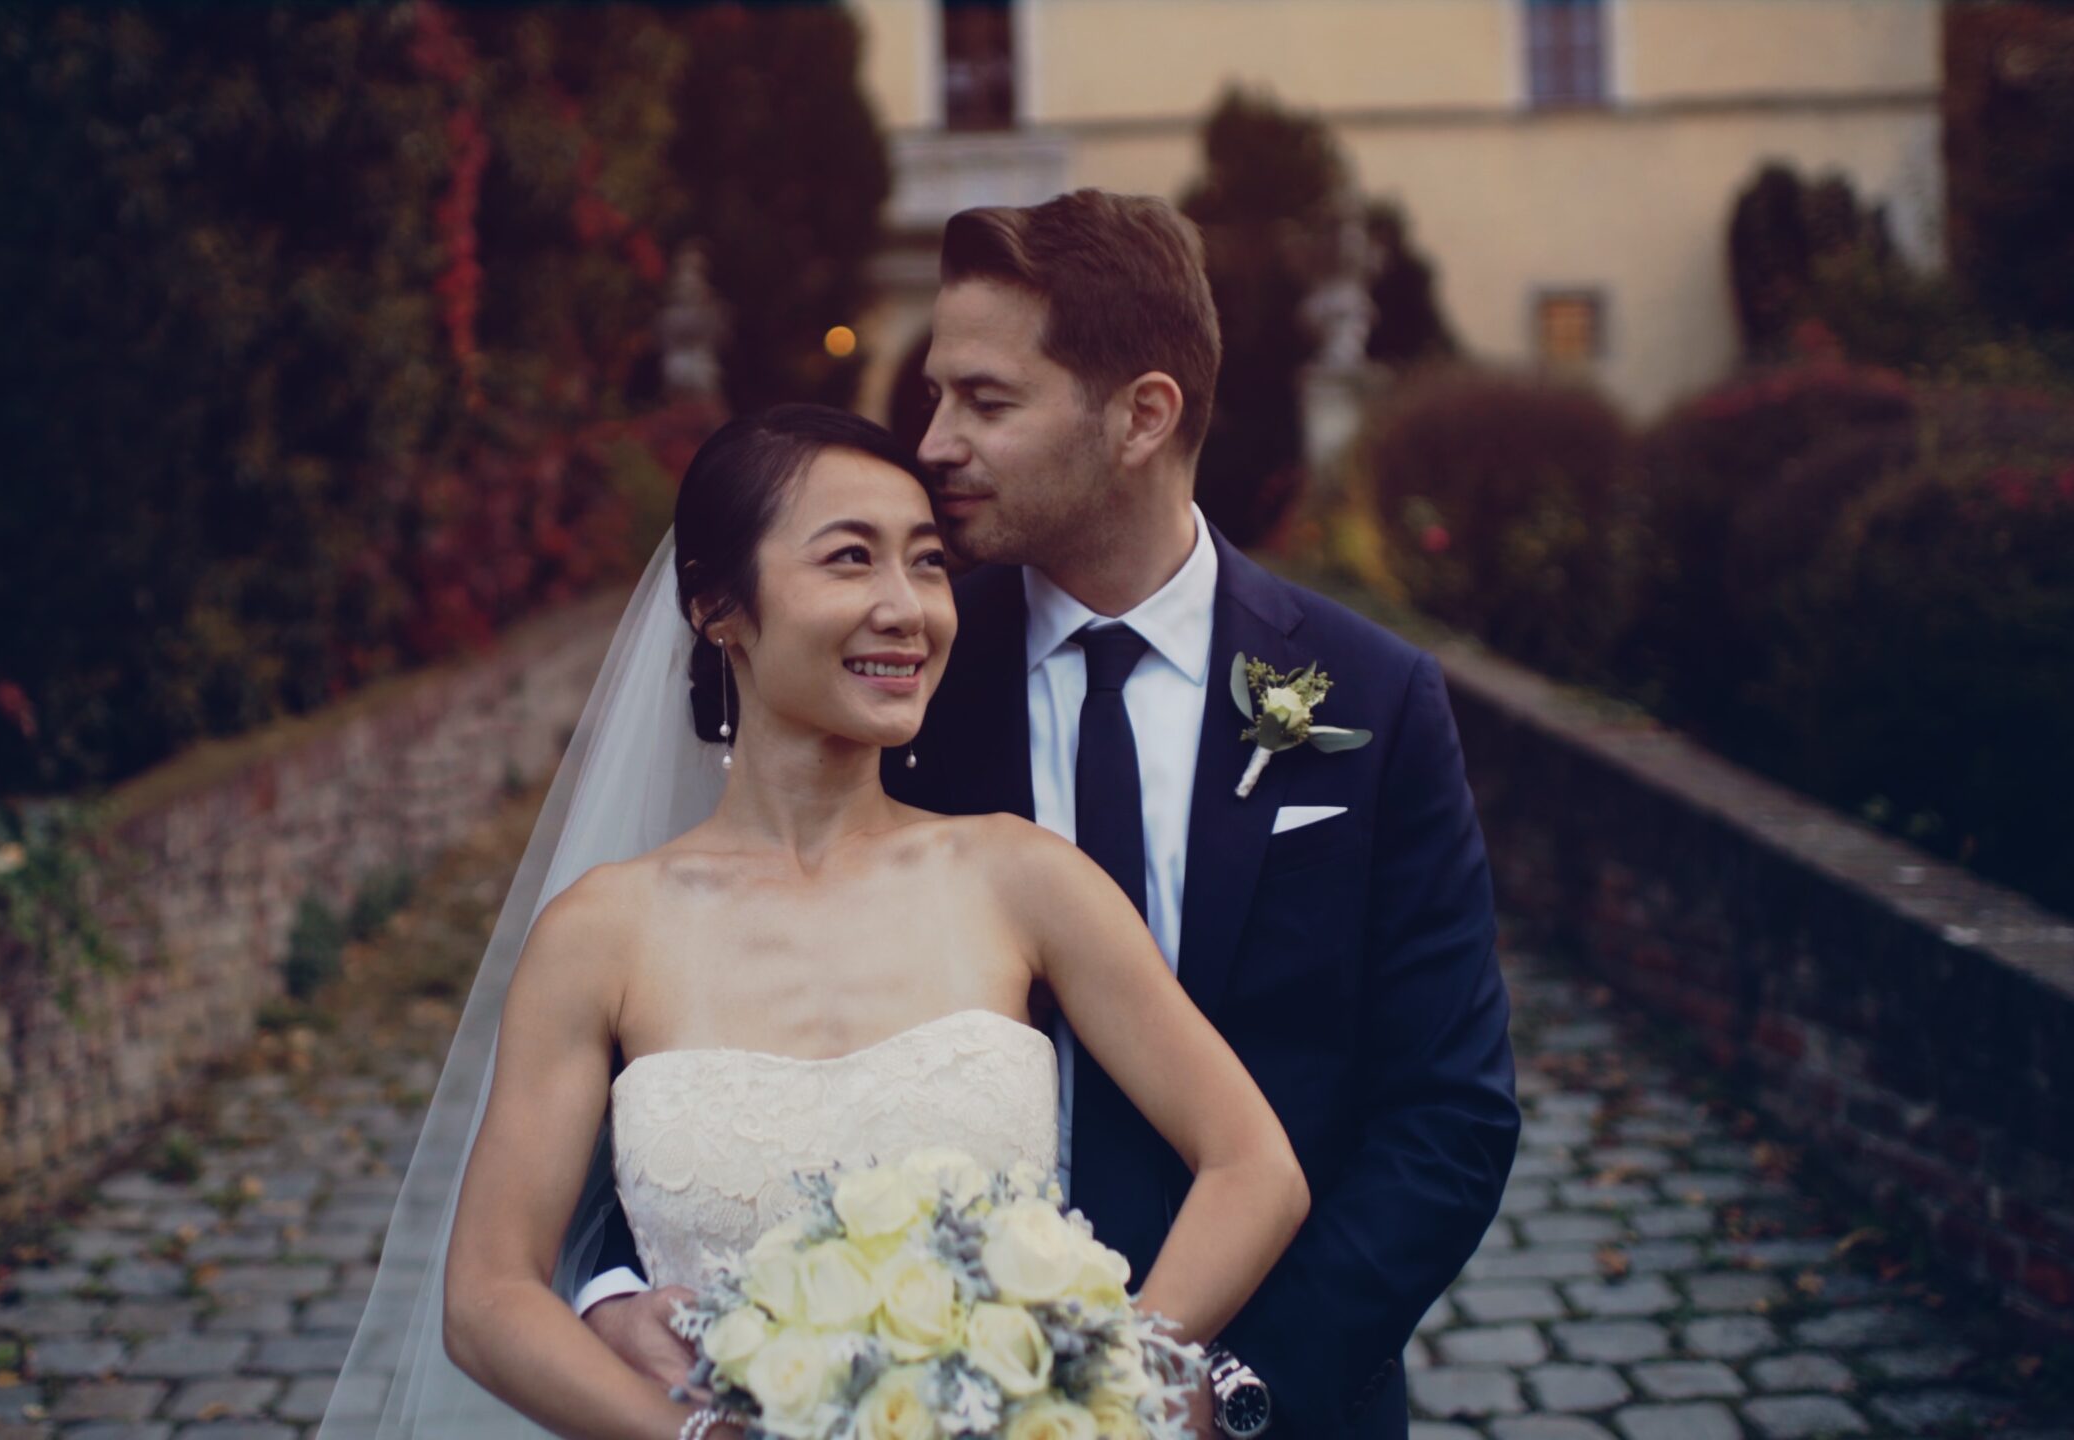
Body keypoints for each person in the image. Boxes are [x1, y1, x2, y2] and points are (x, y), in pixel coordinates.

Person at [581, 192, 1519, 1438]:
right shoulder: (896, 678)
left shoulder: (1370, 701)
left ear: (1140, 415)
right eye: (932, 397)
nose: (934, 443)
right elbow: (699, 992)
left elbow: (1447, 1115)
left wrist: (1211, 1388)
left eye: (985, 401)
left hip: (1269, 1402)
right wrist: (606, 1279)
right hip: (913, 1393)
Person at [336, 404, 1309, 1439]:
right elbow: (488, 1299)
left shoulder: (1020, 878)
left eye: (927, 564)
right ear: (719, 607)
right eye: (850, 559)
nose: (907, 609)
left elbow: (1254, 1167)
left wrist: (1083, 1389)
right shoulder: (601, 934)